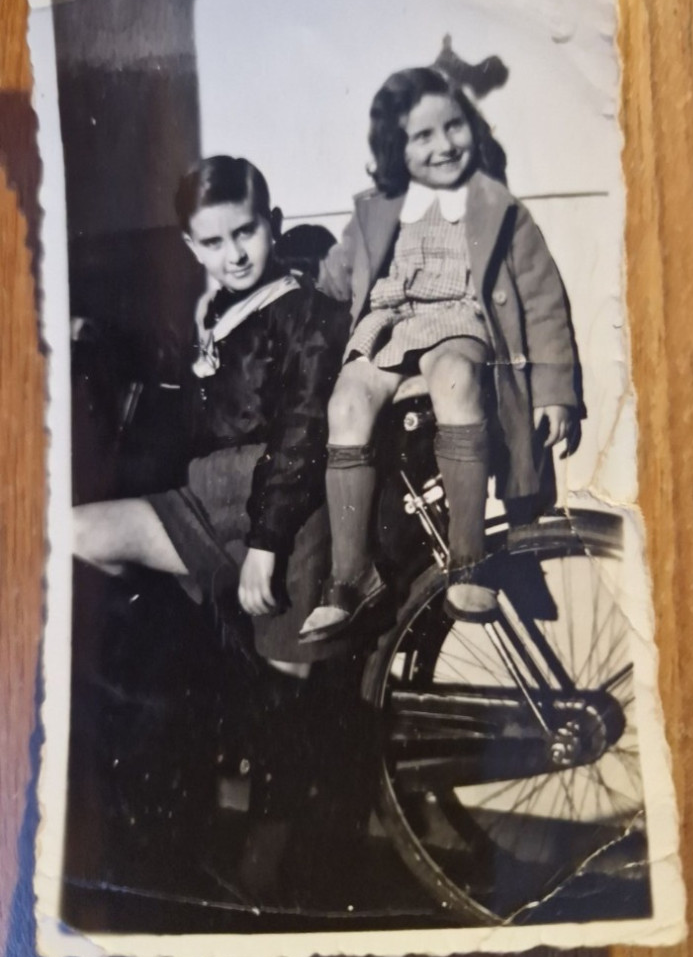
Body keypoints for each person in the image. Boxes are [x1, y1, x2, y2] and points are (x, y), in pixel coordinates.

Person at [300, 66, 582, 641]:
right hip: (386, 323)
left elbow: (544, 298)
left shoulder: (498, 209)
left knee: (455, 375)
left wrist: (554, 390)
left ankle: (468, 558)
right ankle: (351, 575)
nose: (444, 144)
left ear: (472, 129)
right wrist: (293, 279)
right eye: (422, 136)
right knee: (346, 403)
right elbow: (332, 280)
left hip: (457, 318)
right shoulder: (375, 211)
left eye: (453, 127)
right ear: (394, 148)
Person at [73, 155, 346, 669]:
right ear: (191, 247)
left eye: (246, 232)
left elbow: (302, 433)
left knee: (283, 687)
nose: (235, 255)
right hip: (206, 501)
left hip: (284, 519)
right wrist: (96, 335)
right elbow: (191, 378)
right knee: (79, 533)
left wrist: (267, 546)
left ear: (275, 223)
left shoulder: (305, 314)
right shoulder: (221, 309)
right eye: (214, 243)